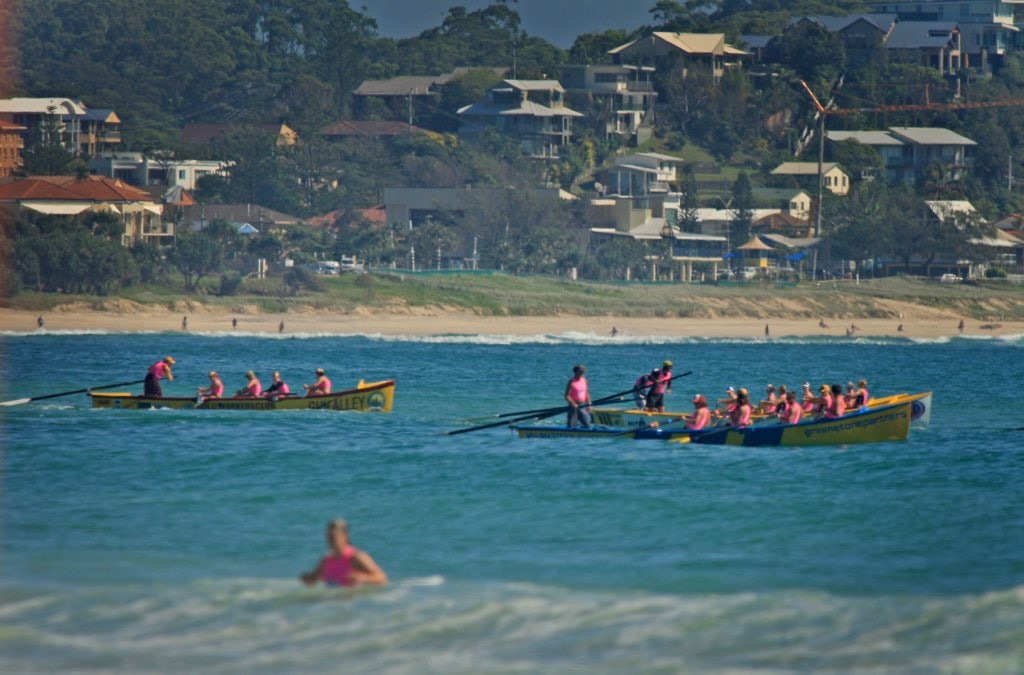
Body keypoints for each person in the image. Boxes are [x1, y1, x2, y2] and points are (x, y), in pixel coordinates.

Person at [301, 518, 387, 588]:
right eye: (328, 536)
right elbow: (312, 580)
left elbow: (382, 578)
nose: (331, 540)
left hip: (353, 605)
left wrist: (362, 577)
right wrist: (306, 578)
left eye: (334, 537)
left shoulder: (356, 557)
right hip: (330, 606)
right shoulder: (326, 560)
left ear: (345, 536)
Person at [564, 364, 592, 428]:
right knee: (571, 425)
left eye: (584, 371)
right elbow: (567, 396)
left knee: (587, 423)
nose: (583, 373)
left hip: (583, 405)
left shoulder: (584, 380)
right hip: (573, 406)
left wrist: (589, 404)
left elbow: (586, 393)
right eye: (582, 371)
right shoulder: (571, 382)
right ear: (576, 372)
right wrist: (573, 404)